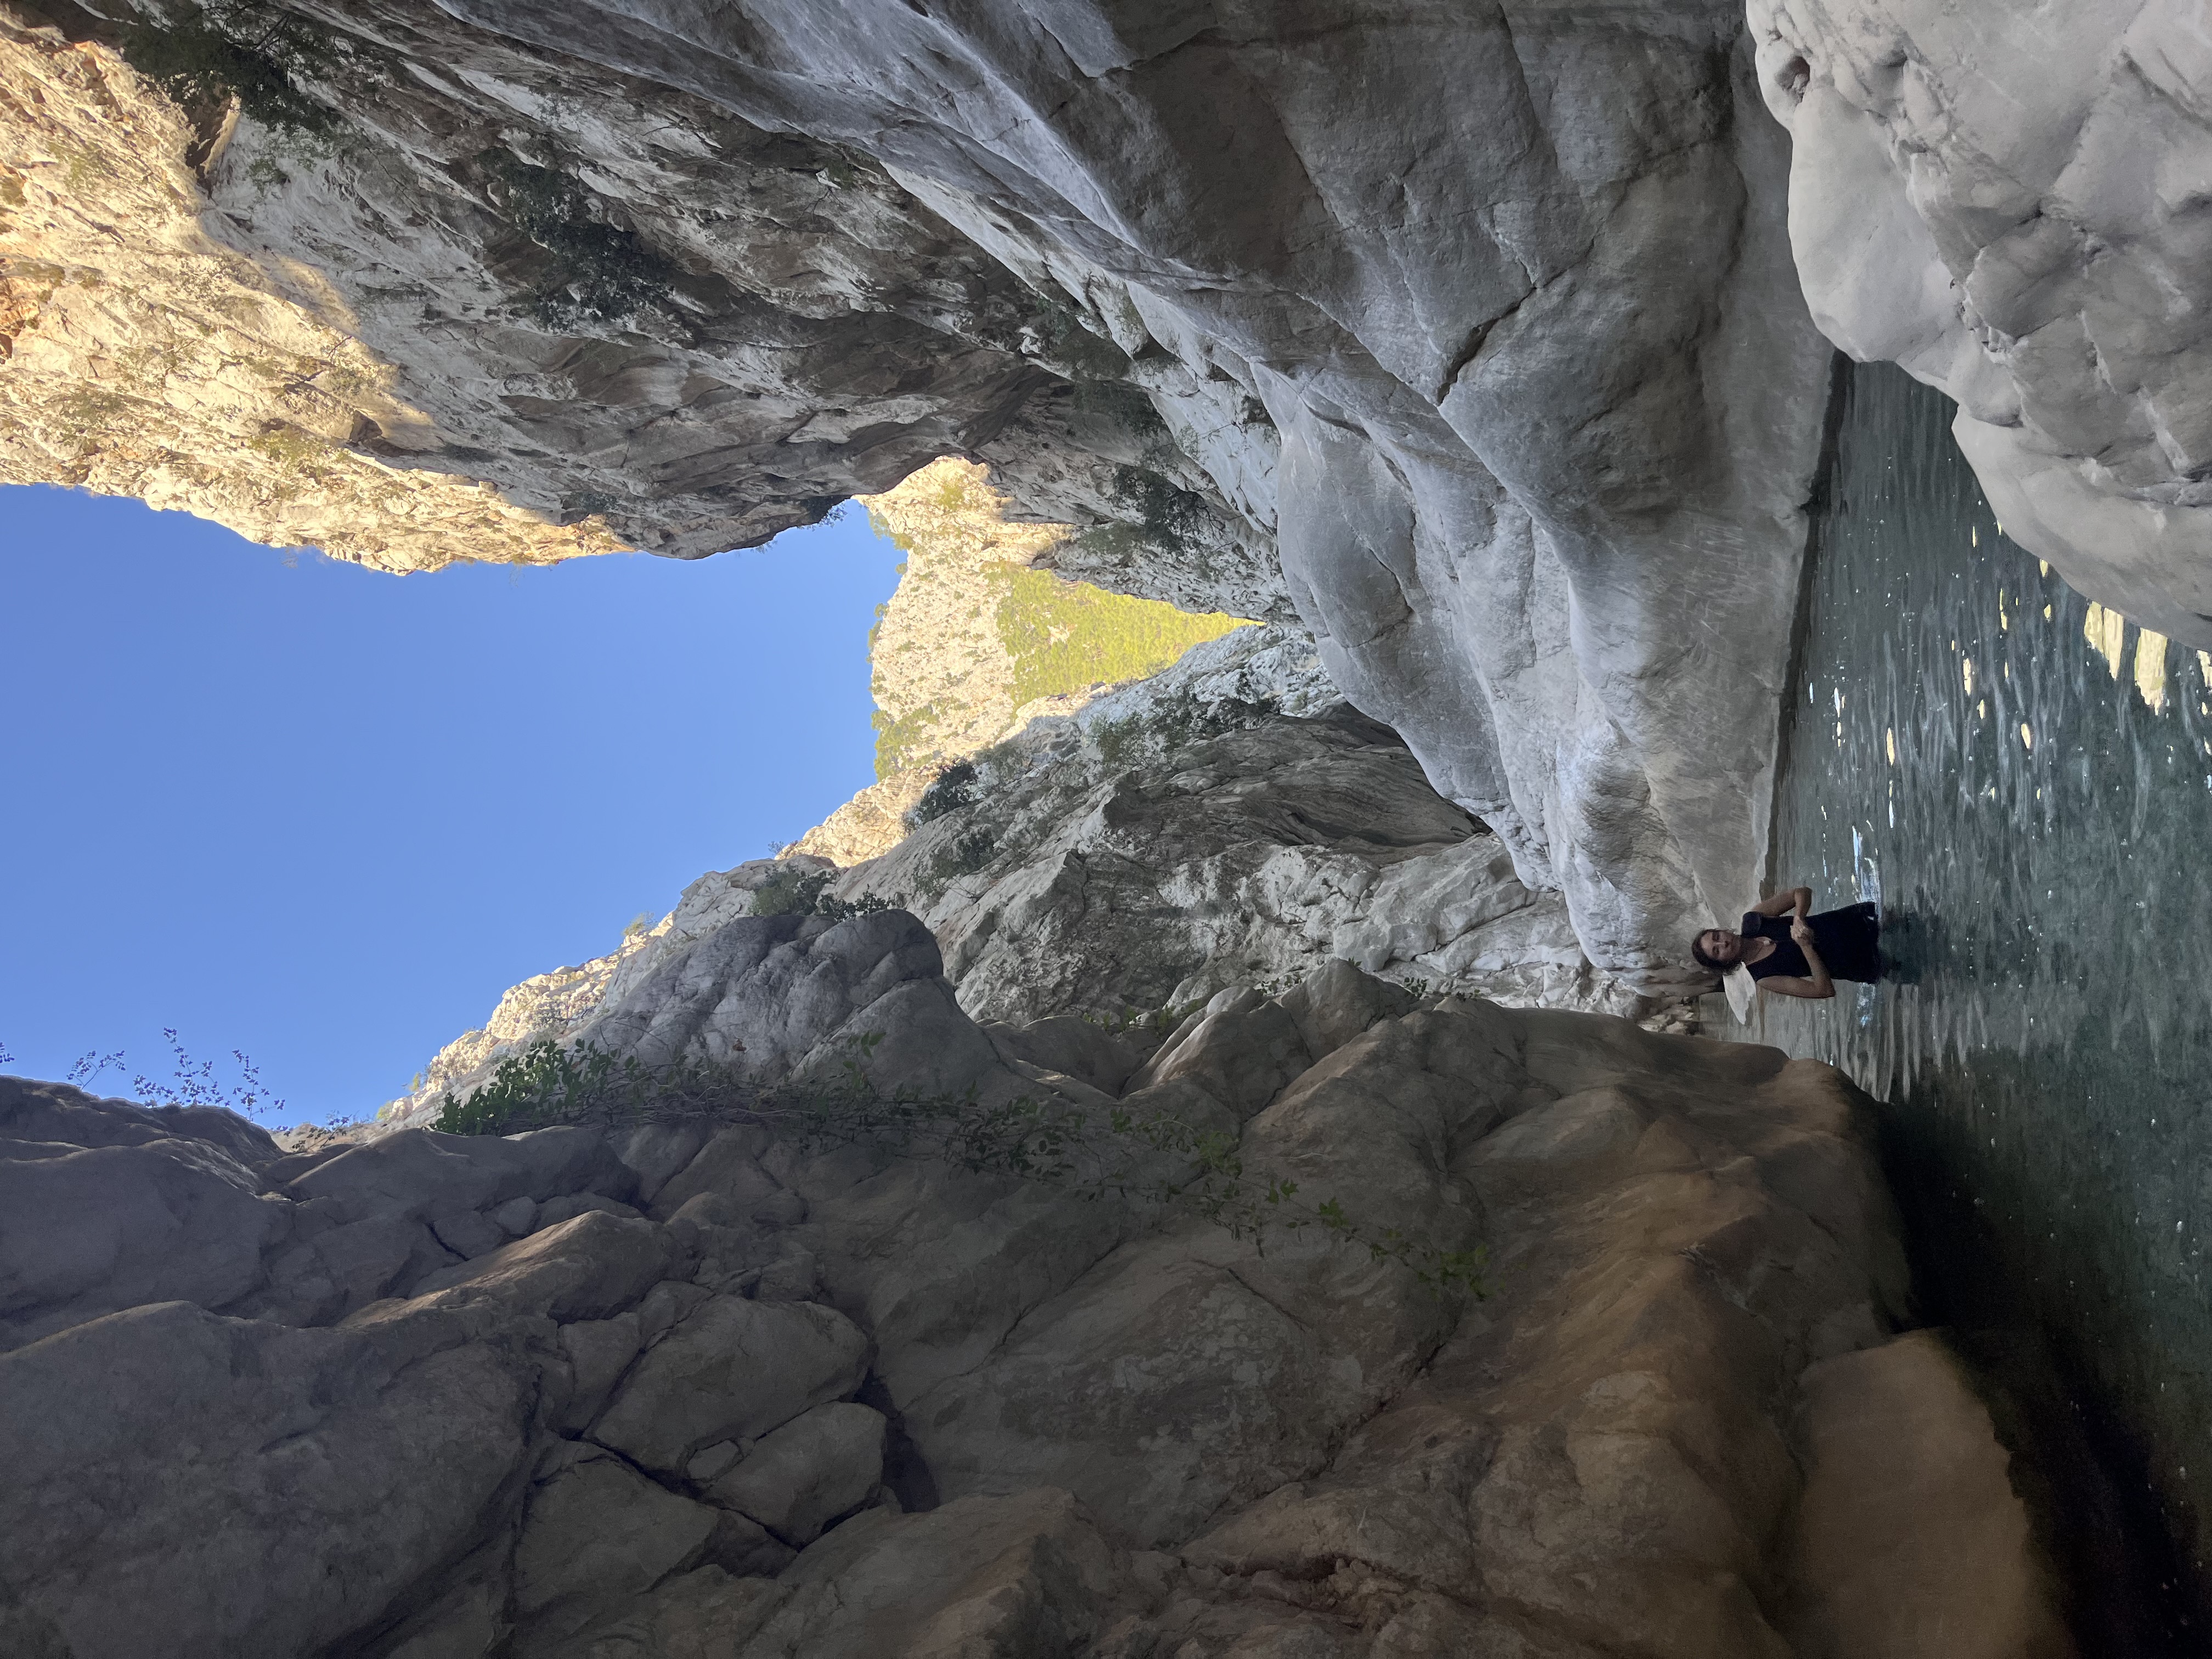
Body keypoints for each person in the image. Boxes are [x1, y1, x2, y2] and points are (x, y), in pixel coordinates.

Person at [1690, 886, 1881, 1000]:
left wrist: (1799, 917)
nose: (1723, 943)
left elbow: (1801, 892)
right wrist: (1806, 947)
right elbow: (1823, 990)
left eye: (1717, 937)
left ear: (1722, 931)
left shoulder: (1753, 920)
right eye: (1717, 952)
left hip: (1862, 919)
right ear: (1723, 964)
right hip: (1870, 961)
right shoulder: (1764, 976)